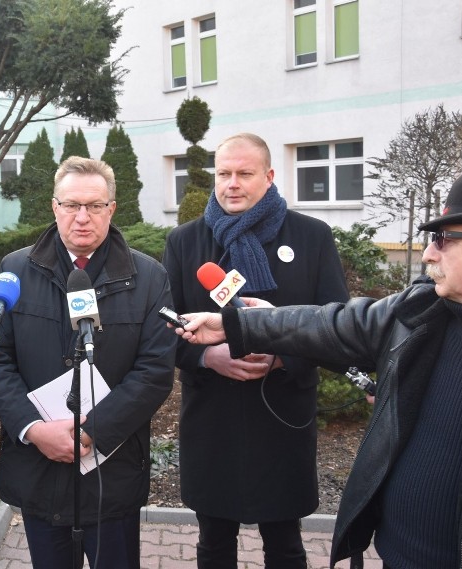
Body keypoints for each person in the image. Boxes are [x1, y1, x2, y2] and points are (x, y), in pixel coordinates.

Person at [175, 164, 462, 568]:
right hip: (399, 552)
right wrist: (233, 326)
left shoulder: (310, 235)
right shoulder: (420, 308)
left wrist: (278, 356)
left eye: (444, 239)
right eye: (431, 239)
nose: (429, 253)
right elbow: (331, 324)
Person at [162, 132, 349, 568]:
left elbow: (338, 327)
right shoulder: (185, 242)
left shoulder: (312, 237)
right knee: (213, 544)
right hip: (213, 417)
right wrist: (208, 357)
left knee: (285, 545)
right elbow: (163, 328)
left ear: (268, 176)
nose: (232, 184)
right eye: (223, 174)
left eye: (244, 174)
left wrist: (284, 353)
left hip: (283, 416)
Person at [0, 156, 176, 568]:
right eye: (71, 205)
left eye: (94, 206)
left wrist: (94, 432)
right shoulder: (15, 271)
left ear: (111, 210)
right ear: (55, 207)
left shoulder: (149, 277)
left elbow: (155, 371)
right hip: (39, 466)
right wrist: (33, 429)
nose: (82, 217)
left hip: (112, 470)